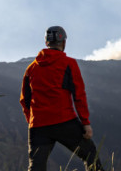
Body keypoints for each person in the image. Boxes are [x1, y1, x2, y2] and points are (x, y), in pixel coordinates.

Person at [20, 25, 104, 171]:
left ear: (46, 42)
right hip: (64, 121)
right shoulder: (69, 64)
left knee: (36, 167)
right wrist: (85, 122)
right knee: (91, 156)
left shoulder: (31, 68)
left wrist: (33, 120)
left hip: (38, 126)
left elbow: (24, 100)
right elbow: (79, 94)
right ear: (63, 43)